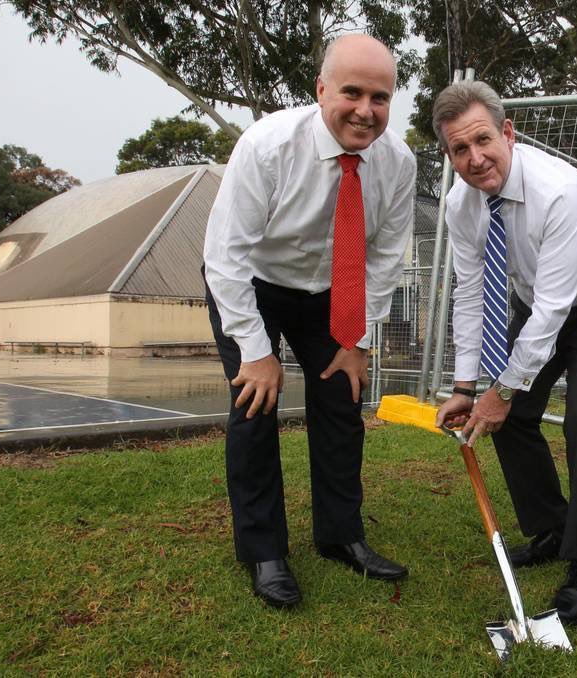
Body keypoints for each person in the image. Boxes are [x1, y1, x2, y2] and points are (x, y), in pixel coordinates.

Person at [202, 33, 415, 609]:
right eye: (351, 92)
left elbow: (387, 257)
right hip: (252, 281)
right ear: (321, 89)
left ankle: (341, 535)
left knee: (342, 403)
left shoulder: (397, 162)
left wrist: (360, 340)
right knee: (254, 405)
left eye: (380, 97)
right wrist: (256, 352)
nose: (365, 111)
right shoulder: (268, 145)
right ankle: (264, 550)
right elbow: (225, 258)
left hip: (332, 289)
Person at [432, 81, 577, 626]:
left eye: (483, 140)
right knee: (516, 417)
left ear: (508, 133)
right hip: (537, 303)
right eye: (459, 149)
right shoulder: (461, 203)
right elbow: (471, 292)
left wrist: (500, 391)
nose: (475, 159)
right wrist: (465, 387)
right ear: (449, 155)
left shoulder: (560, 192)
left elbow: (553, 310)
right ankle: (552, 528)